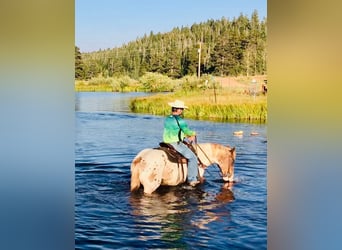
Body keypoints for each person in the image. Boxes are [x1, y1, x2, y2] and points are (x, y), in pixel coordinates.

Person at [163, 100, 200, 187]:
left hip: (166, 141)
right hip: (175, 142)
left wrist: (184, 136)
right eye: (182, 109)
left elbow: (174, 130)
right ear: (178, 110)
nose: (182, 111)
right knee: (193, 157)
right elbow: (186, 130)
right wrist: (193, 133)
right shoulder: (180, 120)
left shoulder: (168, 118)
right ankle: (192, 179)